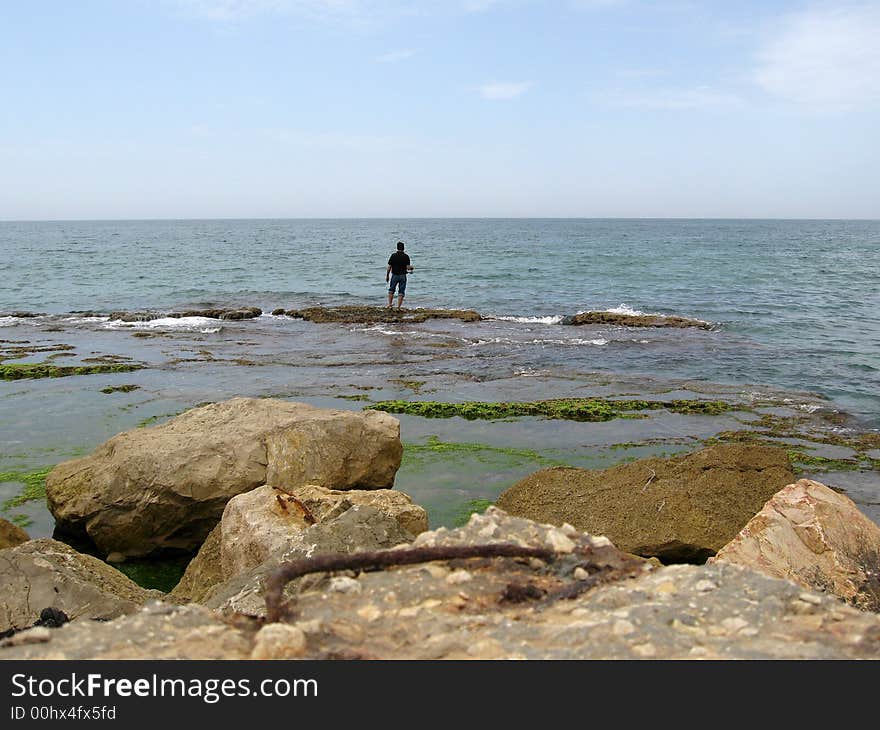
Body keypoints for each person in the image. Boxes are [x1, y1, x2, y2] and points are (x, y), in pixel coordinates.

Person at [386, 240, 414, 309]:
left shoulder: (393, 256)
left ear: (397, 248)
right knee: (401, 291)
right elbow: (408, 267)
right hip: (403, 276)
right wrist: (412, 268)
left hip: (394, 275)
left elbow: (389, 267)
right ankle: (398, 307)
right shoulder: (406, 256)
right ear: (403, 248)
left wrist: (387, 276)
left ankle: (390, 304)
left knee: (391, 290)